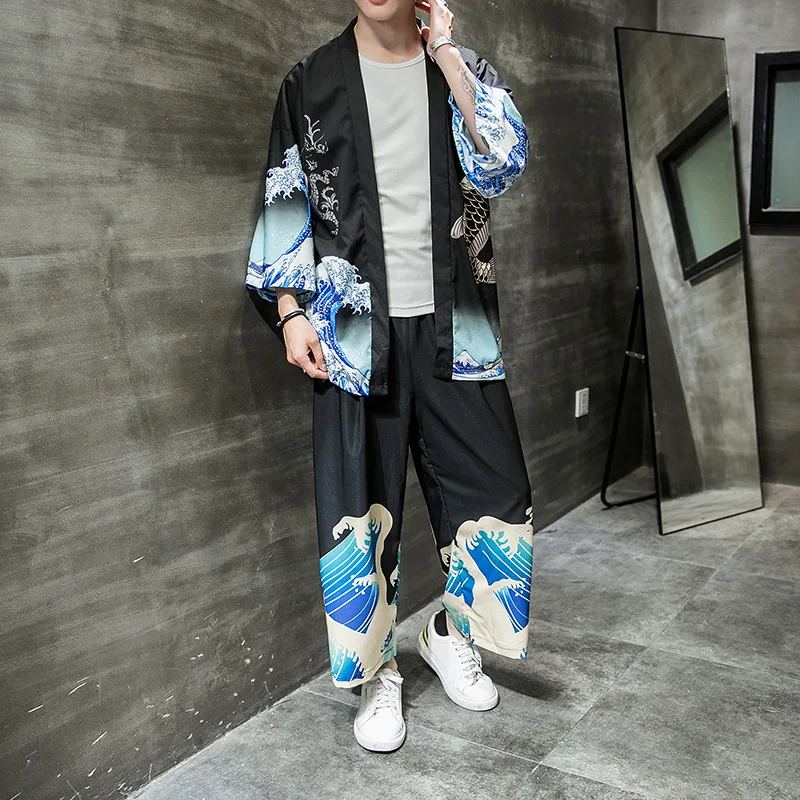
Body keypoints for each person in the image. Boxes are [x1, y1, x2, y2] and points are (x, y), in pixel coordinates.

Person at [245, 0, 534, 753]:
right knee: (360, 512)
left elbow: (502, 162)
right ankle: (379, 675)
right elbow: (286, 193)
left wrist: (447, 55)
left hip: (455, 325)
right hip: (350, 330)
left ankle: (448, 632)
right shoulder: (309, 83)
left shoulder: (461, 70)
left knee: (492, 488)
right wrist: (290, 310)